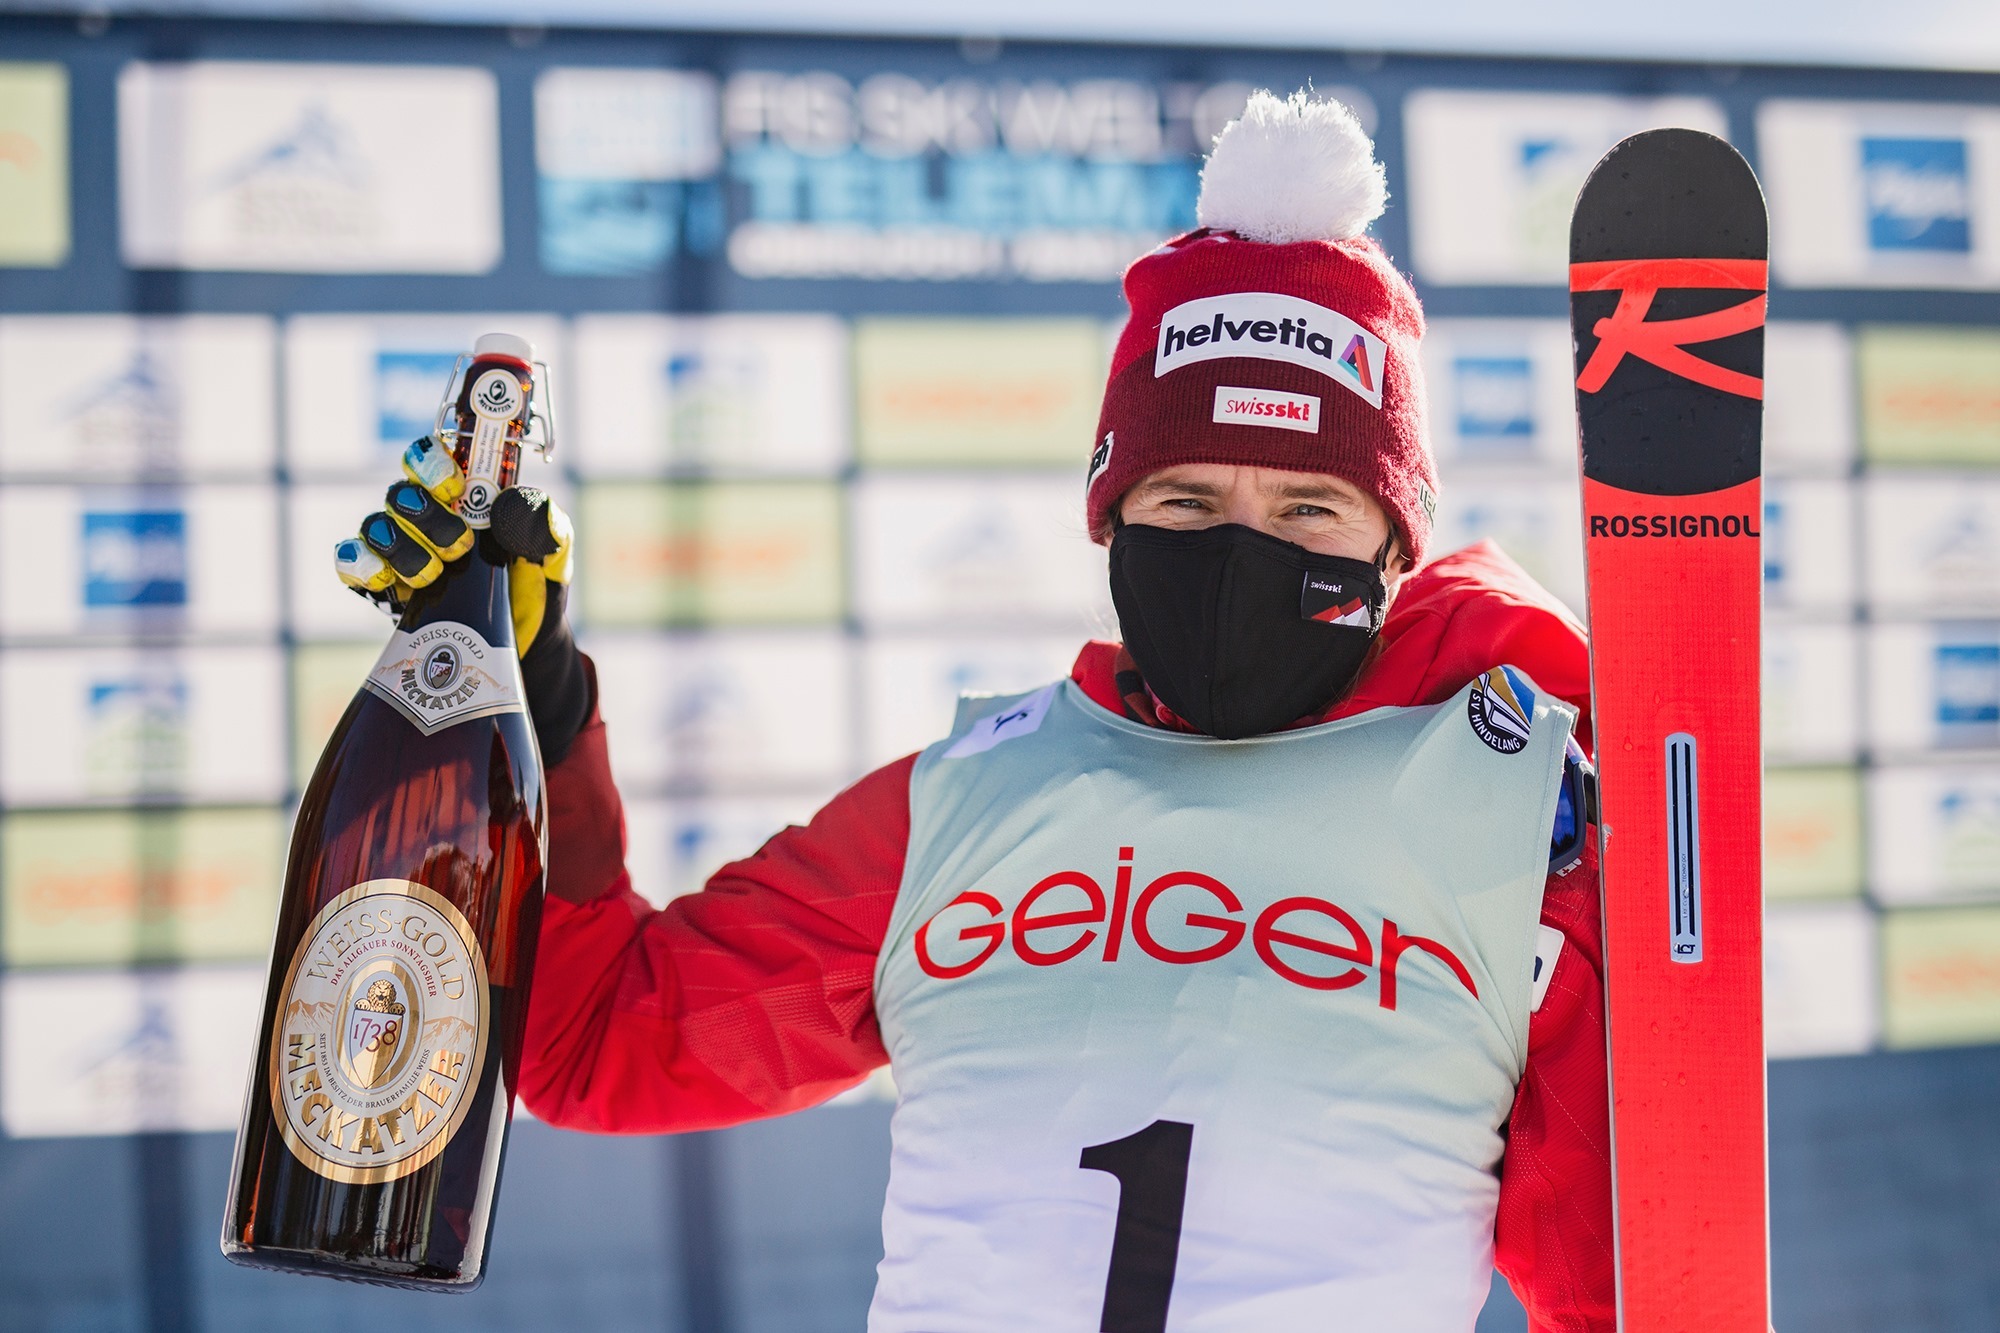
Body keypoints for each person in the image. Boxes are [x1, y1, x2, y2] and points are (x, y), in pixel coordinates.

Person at [339, 90, 1614, 1332]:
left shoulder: (1509, 819)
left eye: (1307, 512)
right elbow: (595, 1040)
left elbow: (1620, 1276)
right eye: (1184, 504)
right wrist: (535, 702)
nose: (1240, 552)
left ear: (1392, 548)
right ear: (1110, 521)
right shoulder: (958, 803)